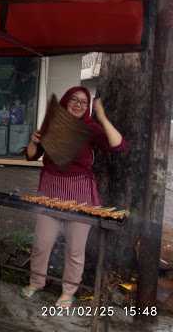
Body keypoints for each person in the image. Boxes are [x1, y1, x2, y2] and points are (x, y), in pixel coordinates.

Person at [21, 86, 126, 308]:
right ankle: (36, 282)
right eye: (74, 100)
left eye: (83, 102)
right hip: (49, 191)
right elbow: (32, 156)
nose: (78, 105)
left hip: (80, 194)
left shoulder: (90, 128)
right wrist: (34, 141)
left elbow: (118, 145)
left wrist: (102, 116)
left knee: (75, 249)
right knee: (42, 243)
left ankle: (68, 292)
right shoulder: (52, 124)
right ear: (66, 101)